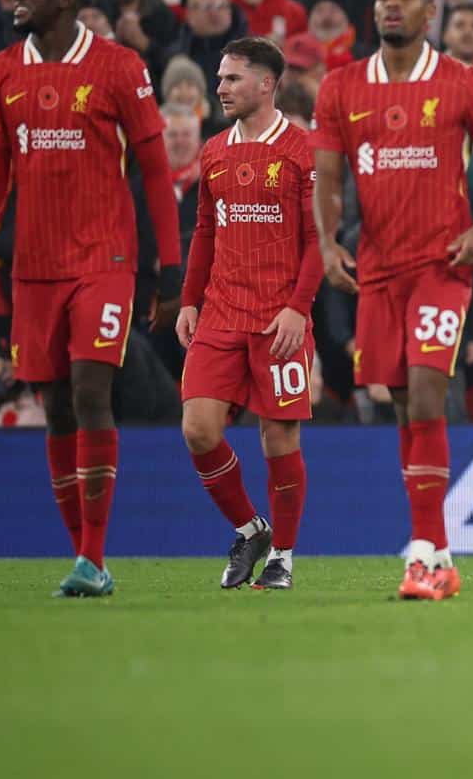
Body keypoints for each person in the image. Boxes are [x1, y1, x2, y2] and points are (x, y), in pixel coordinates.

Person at [310, 0, 473, 601]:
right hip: (377, 272)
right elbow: (326, 179)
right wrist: (327, 244)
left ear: (430, 11)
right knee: (401, 403)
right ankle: (441, 552)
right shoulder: (341, 87)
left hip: (443, 267)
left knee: (430, 395)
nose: (392, 6)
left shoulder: (460, 81)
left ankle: (424, 557)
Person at [0, 0, 184, 596]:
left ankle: (93, 558)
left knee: (92, 388)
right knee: (57, 404)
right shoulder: (1, 71)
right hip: (33, 269)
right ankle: (85, 557)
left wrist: (169, 271)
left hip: (105, 260)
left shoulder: (120, 68)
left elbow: (155, 175)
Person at [174, 38, 319, 591]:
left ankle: (282, 555)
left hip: (278, 317)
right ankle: (249, 527)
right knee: (198, 429)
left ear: (266, 84)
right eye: (220, 78)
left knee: (279, 441)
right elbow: (205, 232)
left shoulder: (302, 151)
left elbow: (315, 240)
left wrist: (297, 310)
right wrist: (189, 300)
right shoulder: (213, 151)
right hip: (220, 314)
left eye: (233, 79)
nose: (221, 88)